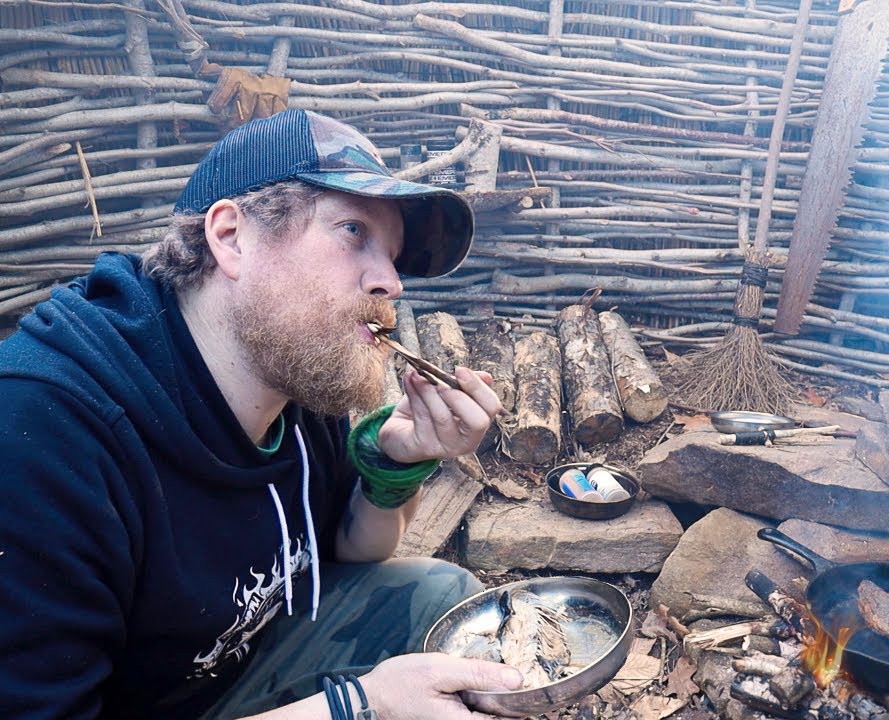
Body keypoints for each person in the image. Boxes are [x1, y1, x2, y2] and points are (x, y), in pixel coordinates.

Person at [0, 110, 524, 719]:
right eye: (354, 231)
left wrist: (395, 465)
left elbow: (352, 552)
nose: (391, 282)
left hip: (233, 675)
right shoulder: (42, 429)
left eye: (393, 255)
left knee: (441, 595)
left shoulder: (290, 375)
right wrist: (359, 707)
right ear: (230, 237)